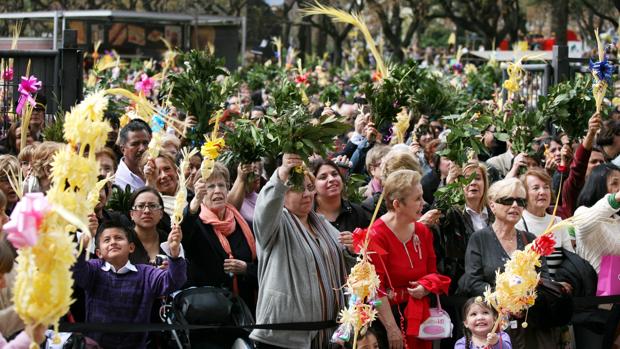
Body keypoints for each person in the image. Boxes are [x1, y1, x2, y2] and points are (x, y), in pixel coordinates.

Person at [250, 153, 353, 349]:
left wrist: (351, 250)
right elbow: (265, 207)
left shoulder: (322, 224)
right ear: (282, 193)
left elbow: (349, 267)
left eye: (309, 188)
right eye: (297, 188)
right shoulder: (274, 224)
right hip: (284, 339)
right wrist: (281, 175)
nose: (306, 194)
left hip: (330, 336)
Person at [457, 177, 550, 349]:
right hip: (492, 326)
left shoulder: (530, 240)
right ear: (492, 205)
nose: (515, 205)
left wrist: (524, 301)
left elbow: (544, 277)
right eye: (507, 200)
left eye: (520, 201)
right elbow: (473, 281)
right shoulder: (480, 238)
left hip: (528, 324)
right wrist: (505, 301)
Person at [369, 169, 450, 349]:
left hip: (420, 315)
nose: (424, 203)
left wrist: (426, 287)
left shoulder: (422, 231)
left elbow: (433, 273)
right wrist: (392, 329)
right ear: (397, 204)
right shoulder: (376, 235)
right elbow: (375, 290)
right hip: (390, 319)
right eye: (417, 199)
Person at [73, 219, 186, 349]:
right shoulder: (93, 269)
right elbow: (76, 269)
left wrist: (174, 252)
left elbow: (174, 281)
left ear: (131, 247)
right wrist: (82, 244)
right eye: (107, 240)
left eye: (118, 238)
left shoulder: (146, 273)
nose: (113, 242)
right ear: (99, 253)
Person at [182, 163, 258, 312]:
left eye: (221, 185)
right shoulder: (196, 222)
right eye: (210, 187)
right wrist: (195, 201)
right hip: (211, 313)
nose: (217, 191)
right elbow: (182, 232)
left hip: (246, 309)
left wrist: (246, 269)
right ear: (200, 191)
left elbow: (260, 266)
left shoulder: (239, 221)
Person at [438, 161, 494, 293]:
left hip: (493, 286)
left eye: (478, 178)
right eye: (466, 179)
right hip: (462, 288)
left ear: (485, 184)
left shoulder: (495, 213)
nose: (473, 182)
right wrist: (449, 183)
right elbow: (436, 212)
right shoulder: (452, 214)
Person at [515, 169, 574, 276]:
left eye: (546, 187)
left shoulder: (558, 221)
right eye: (535, 188)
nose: (542, 192)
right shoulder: (517, 223)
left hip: (559, 288)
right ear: (524, 194)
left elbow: (571, 260)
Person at [573, 163, 620, 272]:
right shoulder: (582, 212)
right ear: (598, 185)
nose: (619, 188)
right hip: (592, 287)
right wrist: (615, 198)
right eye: (615, 183)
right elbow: (584, 224)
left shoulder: (617, 219)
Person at [312, 158, 369, 233]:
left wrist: (356, 241)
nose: (331, 179)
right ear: (312, 185)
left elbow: (369, 241)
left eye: (335, 174)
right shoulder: (307, 216)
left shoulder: (357, 212)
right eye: (323, 177)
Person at [115, 119, 152, 192]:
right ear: (123, 149)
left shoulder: (159, 171)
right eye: (135, 144)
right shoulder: (116, 179)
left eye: (145, 143)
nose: (142, 148)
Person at [227, 161, 265, 229]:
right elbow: (231, 210)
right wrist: (241, 179)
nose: (257, 175)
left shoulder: (262, 197)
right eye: (250, 173)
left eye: (256, 170)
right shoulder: (229, 199)